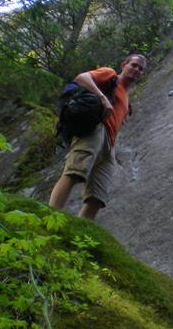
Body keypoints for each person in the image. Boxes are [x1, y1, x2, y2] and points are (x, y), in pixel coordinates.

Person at [48, 53, 146, 220]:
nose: (136, 70)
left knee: (97, 198)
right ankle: (48, 219)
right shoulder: (109, 74)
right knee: (74, 171)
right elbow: (81, 78)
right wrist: (102, 98)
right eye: (134, 65)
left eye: (141, 69)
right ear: (124, 65)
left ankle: (77, 238)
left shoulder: (127, 100)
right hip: (95, 130)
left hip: (109, 146)